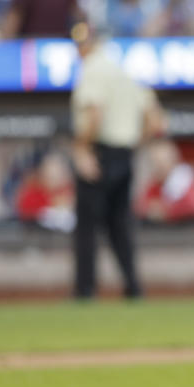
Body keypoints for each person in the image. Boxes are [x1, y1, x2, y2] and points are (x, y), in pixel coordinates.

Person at [70, 22, 163, 299]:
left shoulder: (93, 68)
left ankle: (85, 291)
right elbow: (155, 119)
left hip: (100, 151)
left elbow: (95, 114)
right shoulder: (121, 69)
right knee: (120, 224)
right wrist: (134, 145)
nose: (79, 50)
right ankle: (133, 287)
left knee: (87, 226)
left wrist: (82, 149)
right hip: (124, 153)